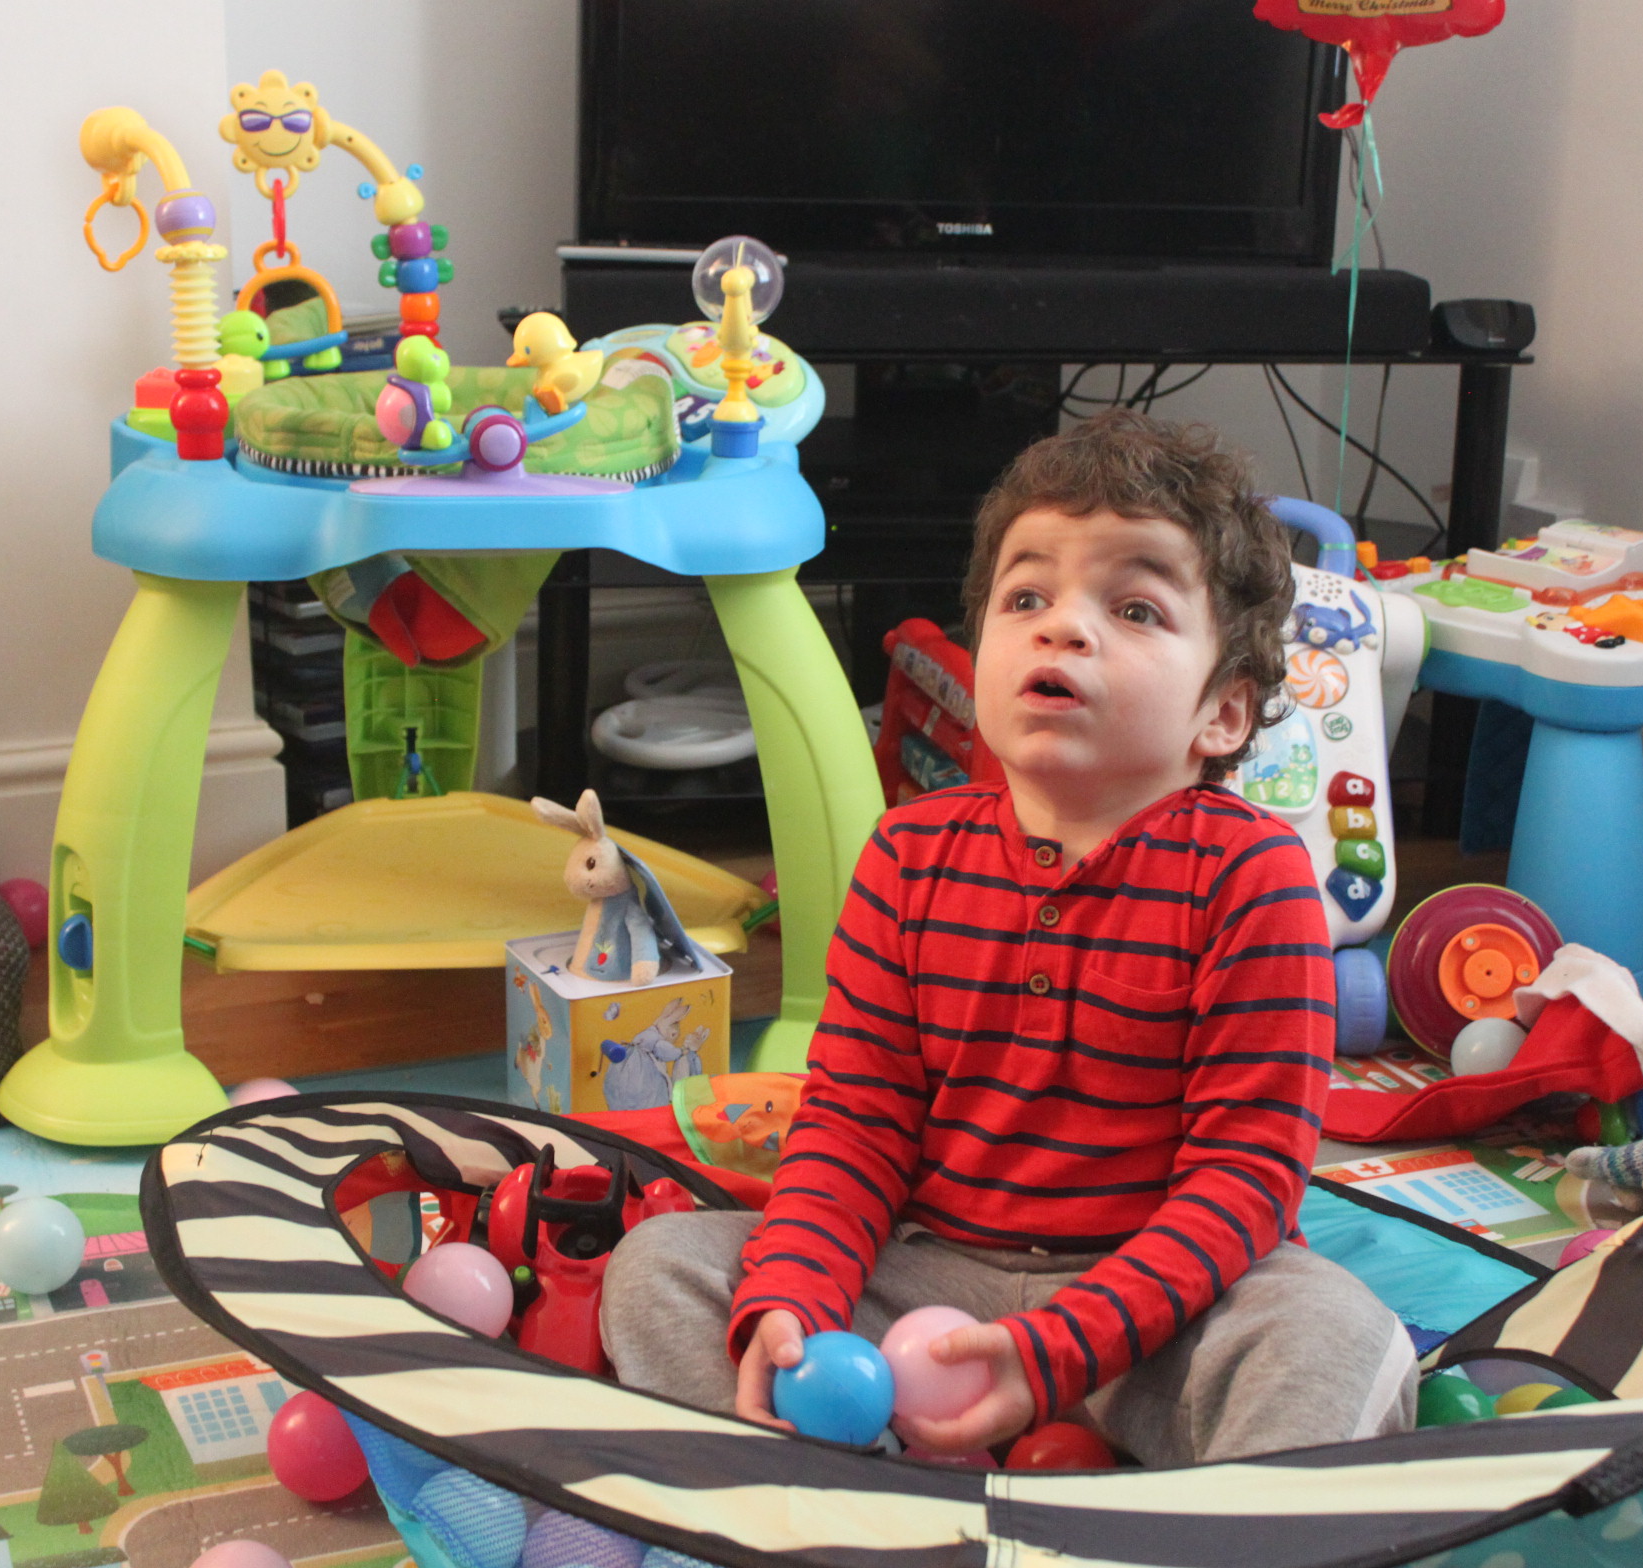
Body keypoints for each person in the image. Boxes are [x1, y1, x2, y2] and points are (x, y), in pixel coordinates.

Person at [600, 410, 1415, 1464]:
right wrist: (793, 1296)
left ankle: (1199, 1520)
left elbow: (1244, 1180)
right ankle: (837, 1495)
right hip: (932, 1278)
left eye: (1133, 607)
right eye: (1027, 598)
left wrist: (1062, 1350)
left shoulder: (1255, 877)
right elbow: (854, 1124)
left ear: (1222, 712)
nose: (1061, 628)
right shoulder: (908, 855)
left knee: (1340, 1334)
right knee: (661, 1267)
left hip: (1152, 1308)